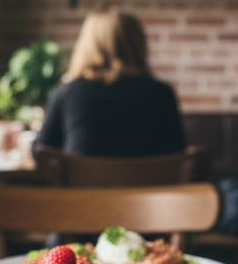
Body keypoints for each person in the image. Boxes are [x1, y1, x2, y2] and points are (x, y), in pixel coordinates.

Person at [35, 9, 187, 157]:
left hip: (83, 183)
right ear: (139, 45)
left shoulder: (68, 92)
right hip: (152, 183)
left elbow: (41, 152)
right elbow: (178, 152)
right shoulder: (162, 93)